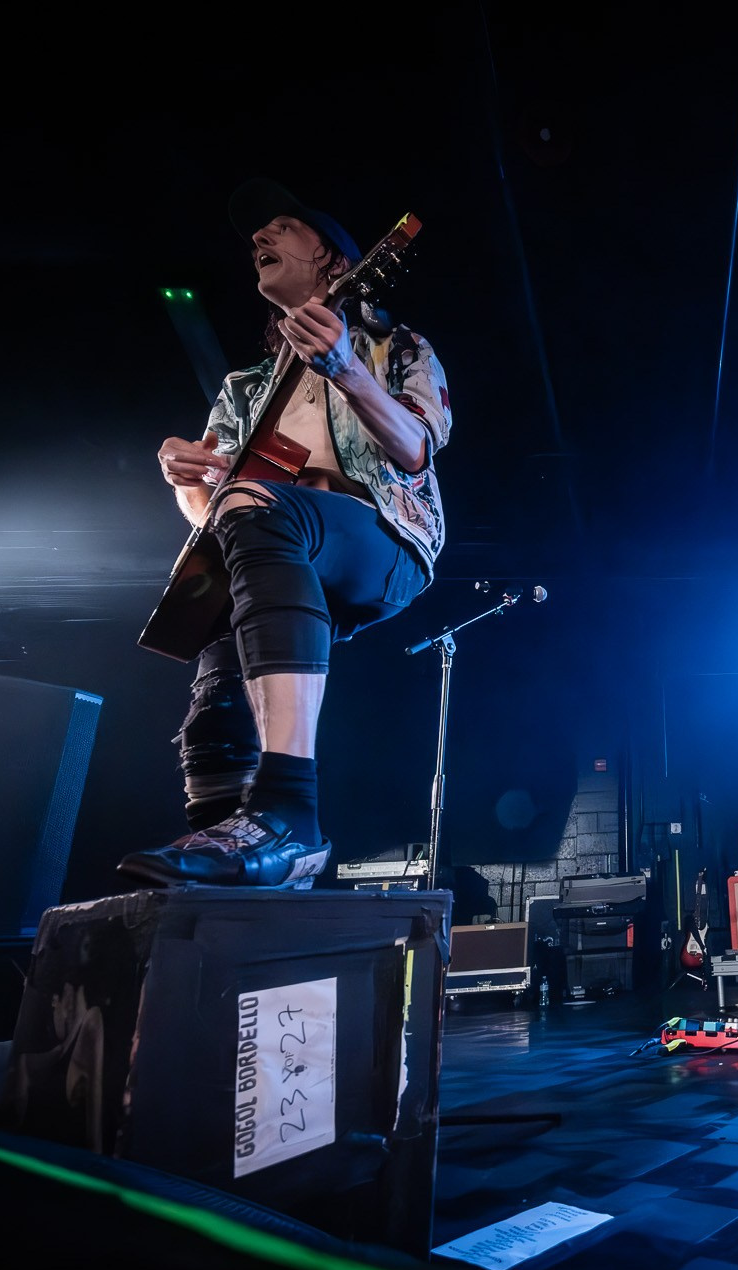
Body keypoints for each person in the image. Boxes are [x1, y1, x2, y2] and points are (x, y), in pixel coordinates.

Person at [119, 179, 452, 889]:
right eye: (255, 237)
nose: (259, 241)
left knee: (253, 507)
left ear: (333, 259)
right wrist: (185, 478)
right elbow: (214, 509)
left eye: (280, 228)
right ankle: (226, 863)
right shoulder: (244, 387)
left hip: (381, 541)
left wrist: (349, 373)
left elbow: (416, 450)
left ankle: (289, 809)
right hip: (270, 543)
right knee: (214, 706)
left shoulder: (397, 346)